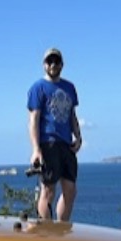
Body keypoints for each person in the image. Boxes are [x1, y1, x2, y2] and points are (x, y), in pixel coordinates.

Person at [27, 46, 82, 220]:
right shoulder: (38, 88)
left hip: (66, 144)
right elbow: (33, 120)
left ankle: (61, 228)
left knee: (70, 190)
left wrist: (78, 136)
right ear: (44, 64)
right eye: (50, 61)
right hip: (48, 143)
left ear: (62, 64)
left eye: (56, 61)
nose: (53, 64)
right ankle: (47, 233)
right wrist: (36, 149)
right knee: (48, 191)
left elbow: (71, 115)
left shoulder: (69, 87)